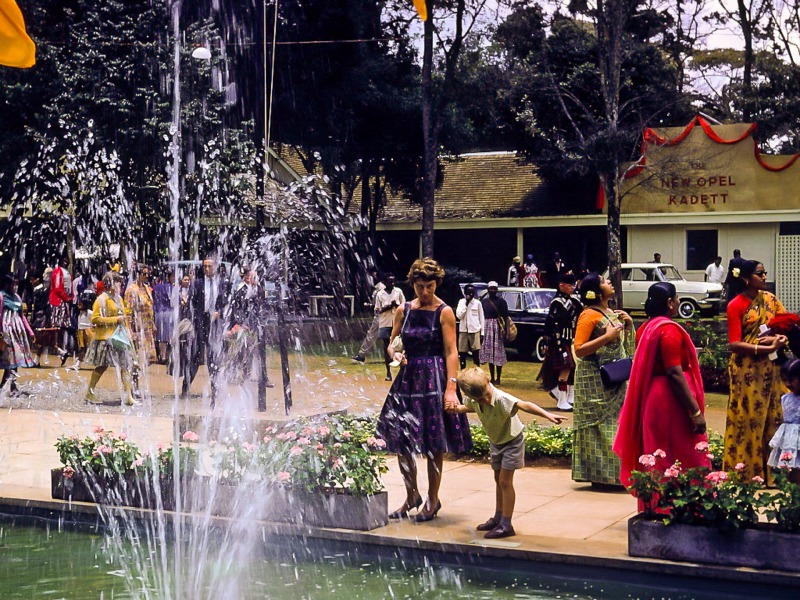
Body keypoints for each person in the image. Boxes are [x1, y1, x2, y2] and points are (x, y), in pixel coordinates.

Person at [376, 258, 472, 522]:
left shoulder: (445, 311)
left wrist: (451, 389)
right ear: (413, 284)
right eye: (419, 286)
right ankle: (411, 495)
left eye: (429, 286)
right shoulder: (403, 310)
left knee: (433, 443)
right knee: (401, 439)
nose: (425, 292)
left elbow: (452, 352)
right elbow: (393, 344)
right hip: (408, 379)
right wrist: (395, 353)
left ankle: (432, 498)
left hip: (434, 378)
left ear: (436, 283)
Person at [613, 282, 709, 506]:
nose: (678, 302)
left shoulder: (646, 328)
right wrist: (694, 410)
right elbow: (674, 372)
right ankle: (683, 507)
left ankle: (655, 505)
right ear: (669, 303)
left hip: (653, 399)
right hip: (672, 401)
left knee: (658, 455)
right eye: (676, 298)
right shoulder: (668, 330)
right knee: (684, 453)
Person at [450, 367, 564, 539]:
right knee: (498, 480)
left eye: (486, 395)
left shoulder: (503, 399)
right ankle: (498, 517)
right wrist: (457, 409)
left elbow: (525, 405)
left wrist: (547, 415)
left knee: (505, 481)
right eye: (480, 400)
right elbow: (470, 407)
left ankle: (506, 524)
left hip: (512, 442)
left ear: (488, 382)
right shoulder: (474, 399)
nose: (486, 401)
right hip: (496, 442)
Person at [724, 259, 788, 482]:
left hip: (773, 370)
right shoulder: (736, 305)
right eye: (759, 274)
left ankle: (775, 475)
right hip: (747, 373)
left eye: (764, 273)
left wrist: (780, 338)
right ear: (745, 279)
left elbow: (787, 325)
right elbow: (734, 343)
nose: (764, 277)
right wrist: (765, 347)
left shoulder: (771, 300)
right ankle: (747, 474)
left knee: (775, 418)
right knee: (749, 419)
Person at [572, 273, 634, 486]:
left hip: (614, 379)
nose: (609, 282)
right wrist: (607, 337)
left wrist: (628, 325)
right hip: (594, 381)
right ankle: (601, 477)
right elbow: (579, 350)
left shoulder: (611, 312)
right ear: (597, 292)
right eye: (603, 281)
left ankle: (618, 475)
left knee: (615, 424)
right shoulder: (588, 315)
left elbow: (621, 346)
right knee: (598, 427)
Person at [84, 271, 137, 406]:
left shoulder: (118, 299)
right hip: (105, 338)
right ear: (111, 284)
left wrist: (129, 333)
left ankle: (128, 396)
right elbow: (95, 319)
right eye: (117, 281)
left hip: (119, 338)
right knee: (102, 366)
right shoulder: (101, 299)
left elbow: (123, 317)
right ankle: (89, 392)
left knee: (125, 365)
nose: (120, 284)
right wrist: (115, 319)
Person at [186, 256, 228, 404]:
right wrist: (193, 320)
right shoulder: (197, 283)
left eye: (210, 266)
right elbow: (190, 304)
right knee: (195, 355)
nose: (207, 269)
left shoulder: (222, 284)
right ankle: (186, 385)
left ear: (216, 267)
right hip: (200, 322)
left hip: (214, 323)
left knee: (213, 356)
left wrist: (220, 313)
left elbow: (227, 303)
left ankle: (215, 388)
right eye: (205, 266)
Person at [538, 273, 582, 411]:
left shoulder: (574, 301)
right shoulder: (556, 303)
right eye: (569, 285)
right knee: (566, 366)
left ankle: (570, 397)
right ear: (561, 286)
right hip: (558, 339)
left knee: (573, 366)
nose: (572, 288)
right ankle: (561, 399)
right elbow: (549, 323)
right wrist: (547, 340)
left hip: (571, 339)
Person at [0, 275, 36, 395]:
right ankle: (6, 387)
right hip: (6, 332)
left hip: (17, 333)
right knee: (10, 360)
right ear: (5, 285)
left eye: (14, 284)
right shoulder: (1, 297)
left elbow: (22, 316)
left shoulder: (17, 298)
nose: (13, 287)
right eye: (11, 284)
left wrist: (30, 332)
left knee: (15, 360)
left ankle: (12, 387)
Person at [768, 359, 800, 483]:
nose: (787, 384)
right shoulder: (785, 398)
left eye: (791, 380)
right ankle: (794, 498)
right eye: (784, 380)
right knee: (790, 471)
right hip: (790, 442)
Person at [125, 264, 157, 366]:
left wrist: (153, 324)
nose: (146, 276)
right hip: (137, 327)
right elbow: (128, 311)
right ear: (137, 274)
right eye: (144, 274)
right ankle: (134, 380)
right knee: (137, 358)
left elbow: (150, 307)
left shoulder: (147, 288)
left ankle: (140, 379)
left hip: (147, 327)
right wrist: (129, 330)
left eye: (148, 274)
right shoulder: (132, 290)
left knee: (148, 359)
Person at [374, 275, 405, 381]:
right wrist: (388, 306)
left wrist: (396, 305)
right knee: (386, 347)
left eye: (393, 282)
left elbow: (404, 306)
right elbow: (377, 310)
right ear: (385, 283)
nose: (392, 285)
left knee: (401, 347)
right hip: (385, 323)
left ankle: (402, 371)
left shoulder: (398, 292)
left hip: (397, 322)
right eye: (389, 282)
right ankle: (388, 372)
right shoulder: (380, 294)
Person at [352, 268, 385, 363]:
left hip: (382, 316)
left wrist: (370, 305)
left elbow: (381, 304)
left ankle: (362, 355)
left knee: (372, 334)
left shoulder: (381, 289)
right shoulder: (378, 288)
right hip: (380, 315)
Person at [479, 281, 508, 386]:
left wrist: (506, 331)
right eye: (490, 288)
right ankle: (492, 377)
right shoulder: (484, 302)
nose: (492, 290)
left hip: (498, 328)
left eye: (494, 289)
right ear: (488, 289)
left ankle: (499, 377)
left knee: (498, 353)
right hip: (487, 328)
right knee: (490, 354)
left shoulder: (502, 302)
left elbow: (505, 317)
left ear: (497, 290)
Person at [49, 256, 73, 366]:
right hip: (58, 302)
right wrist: (66, 298)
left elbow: (69, 287)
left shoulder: (67, 272)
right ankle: (58, 348)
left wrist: (70, 298)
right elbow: (58, 288)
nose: (67, 262)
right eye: (65, 260)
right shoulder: (58, 271)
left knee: (64, 326)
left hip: (65, 302)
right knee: (57, 326)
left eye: (68, 261)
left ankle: (63, 349)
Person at [455, 284, 484, 369]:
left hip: (475, 331)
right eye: (468, 292)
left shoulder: (477, 303)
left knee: (476, 353)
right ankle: (463, 371)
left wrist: (482, 333)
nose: (470, 294)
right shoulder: (461, 302)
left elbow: (481, 318)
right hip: (463, 331)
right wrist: (466, 305)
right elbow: (459, 316)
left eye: (472, 292)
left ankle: (477, 370)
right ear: (465, 293)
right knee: (462, 352)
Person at [152, 269, 175, 365]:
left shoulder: (157, 287)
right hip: (168, 313)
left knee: (161, 336)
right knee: (169, 335)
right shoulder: (172, 288)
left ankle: (162, 355)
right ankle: (169, 356)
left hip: (158, 313)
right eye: (173, 276)